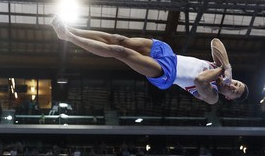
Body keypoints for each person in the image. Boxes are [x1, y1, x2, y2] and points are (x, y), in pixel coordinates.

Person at [52, 15, 248, 106]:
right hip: (168, 53)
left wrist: (222, 69)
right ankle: (70, 28)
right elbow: (215, 42)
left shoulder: (213, 96)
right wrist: (228, 67)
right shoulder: (222, 69)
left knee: (120, 51)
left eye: (234, 92)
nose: (233, 87)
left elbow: (199, 80)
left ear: (229, 98)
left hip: (166, 73)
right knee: (120, 39)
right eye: (237, 85)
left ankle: (69, 37)